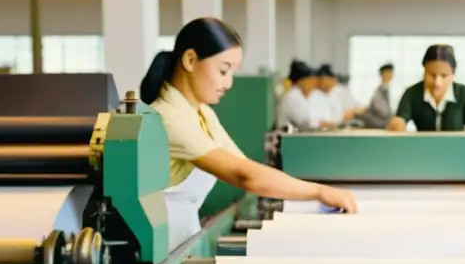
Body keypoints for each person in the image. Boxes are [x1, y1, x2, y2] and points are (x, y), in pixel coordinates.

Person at [139, 17, 357, 251]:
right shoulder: (170, 117)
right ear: (190, 60)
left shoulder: (202, 113)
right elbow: (245, 176)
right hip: (158, 251)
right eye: (223, 70)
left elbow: (243, 165)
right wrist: (318, 191)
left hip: (183, 242)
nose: (229, 82)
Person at [387, 44, 465, 133]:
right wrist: (397, 125)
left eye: (444, 76)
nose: (437, 83)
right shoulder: (412, 93)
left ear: (453, 74)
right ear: (424, 71)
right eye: (431, 75)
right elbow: (399, 122)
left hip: (458, 153)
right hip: (423, 153)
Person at [274, 59, 319, 130]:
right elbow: (305, 122)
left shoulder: (298, 95)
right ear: (301, 81)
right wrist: (324, 123)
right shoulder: (292, 96)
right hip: (287, 139)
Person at [307, 64, 345, 129]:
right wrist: (322, 124)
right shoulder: (312, 95)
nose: (332, 83)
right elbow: (310, 121)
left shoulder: (332, 95)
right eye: (327, 80)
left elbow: (338, 117)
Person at [362, 62, 395, 128]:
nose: (391, 74)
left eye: (391, 72)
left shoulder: (386, 89)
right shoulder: (379, 92)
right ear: (383, 74)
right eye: (389, 72)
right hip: (378, 124)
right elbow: (384, 112)